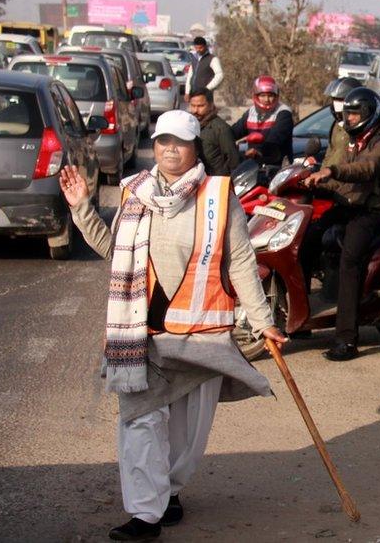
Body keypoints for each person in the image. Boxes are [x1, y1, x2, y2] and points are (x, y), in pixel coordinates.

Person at [58, 110, 287, 541]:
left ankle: (170, 490)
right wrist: (82, 209)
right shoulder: (135, 193)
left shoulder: (218, 197)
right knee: (141, 422)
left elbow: (239, 261)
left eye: (179, 142)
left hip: (200, 337)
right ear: (155, 145)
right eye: (163, 141)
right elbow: (114, 249)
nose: (169, 149)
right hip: (142, 337)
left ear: (195, 147)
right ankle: (145, 514)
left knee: (186, 435)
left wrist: (263, 321)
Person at [301, 88, 380, 361]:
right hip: (351, 204)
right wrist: (315, 180)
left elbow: (365, 169)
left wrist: (332, 171)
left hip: (375, 210)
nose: (350, 119)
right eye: (347, 114)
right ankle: (300, 321)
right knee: (308, 238)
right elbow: (343, 179)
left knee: (350, 259)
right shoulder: (354, 140)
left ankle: (346, 340)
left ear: (370, 114)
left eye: (355, 114)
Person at [231, 75, 294, 166]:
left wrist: (258, 151)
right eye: (263, 95)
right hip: (254, 166)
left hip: (278, 166)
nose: (267, 100)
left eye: (270, 95)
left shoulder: (284, 113)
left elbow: (275, 139)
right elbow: (233, 132)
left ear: (276, 96)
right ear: (256, 96)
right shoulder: (251, 112)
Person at [187, 87, 239, 175]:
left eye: (200, 106)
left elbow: (233, 161)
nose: (195, 110)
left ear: (211, 105)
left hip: (214, 181)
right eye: (193, 106)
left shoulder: (221, 129)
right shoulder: (188, 125)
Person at [323, 77, 362, 168]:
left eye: (340, 99)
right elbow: (329, 155)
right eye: (334, 99)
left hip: (345, 178)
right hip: (329, 178)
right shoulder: (336, 125)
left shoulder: (361, 128)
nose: (336, 103)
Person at [184, 37, 223, 103]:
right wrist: (187, 92)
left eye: (200, 48)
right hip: (193, 93)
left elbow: (219, 74)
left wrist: (208, 88)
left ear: (205, 47)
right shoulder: (194, 58)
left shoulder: (212, 59)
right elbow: (190, 76)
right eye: (196, 48)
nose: (199, 50)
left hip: (205, 94)